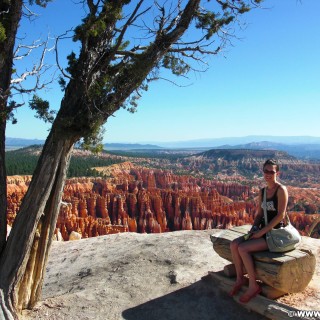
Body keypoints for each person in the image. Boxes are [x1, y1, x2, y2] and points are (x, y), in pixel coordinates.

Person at [229, 159, 288, 303]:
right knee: (233, 244)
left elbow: (281, 215)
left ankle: (253, 286)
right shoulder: (263, 191)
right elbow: (260, 214)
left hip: (275, 234)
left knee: (243, 248)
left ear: (277, 173)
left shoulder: (281, 190)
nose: (268, 174)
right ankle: (239, 279)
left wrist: (262, 233)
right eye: (265, 171)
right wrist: (254, 229)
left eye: (271, 171)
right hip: (262, 231)